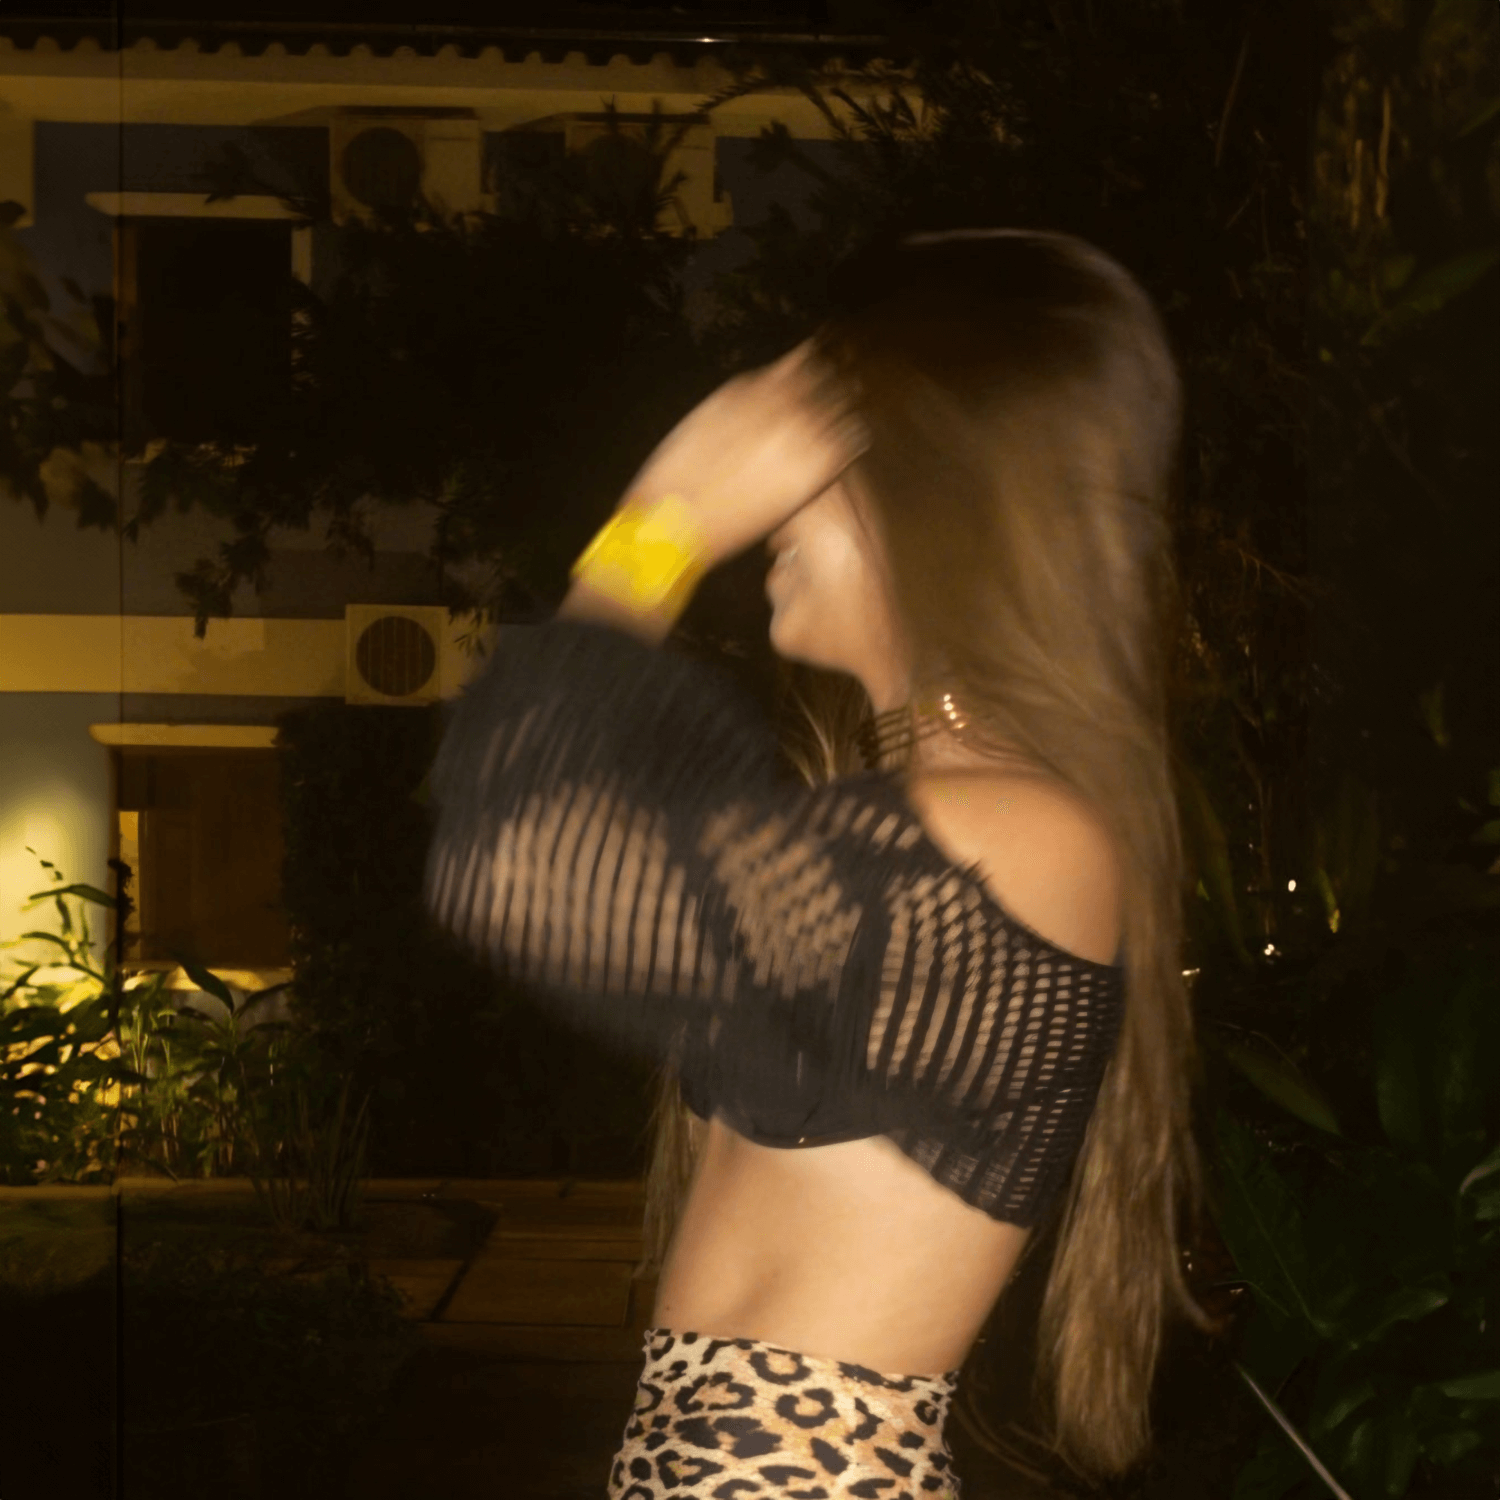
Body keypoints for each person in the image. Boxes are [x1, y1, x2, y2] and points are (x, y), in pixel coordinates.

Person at [425, 229, 1208, 1497]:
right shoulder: (925, 828)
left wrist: (659, 531)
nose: (774, 498)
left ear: (935, 493)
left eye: (813, 448)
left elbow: (520, 854)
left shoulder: (1021, 837)